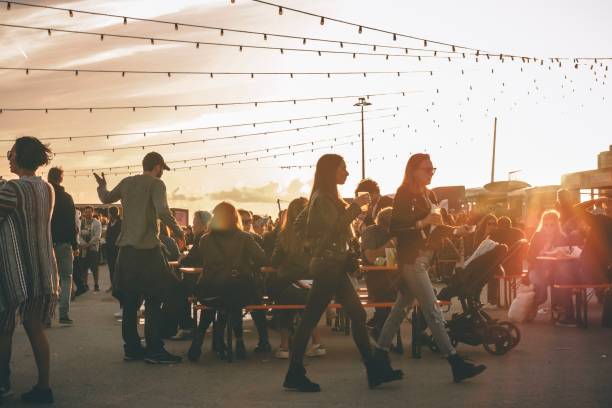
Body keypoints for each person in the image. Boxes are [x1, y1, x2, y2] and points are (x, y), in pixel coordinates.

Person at [283, 154, 402, 393]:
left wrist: (309, 241)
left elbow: (299, 225)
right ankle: (296, 372)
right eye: (343, 168)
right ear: (330, 171)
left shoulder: (323, 198)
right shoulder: (323, 199)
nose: (347, 173)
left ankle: (372, 369)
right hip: (330, 265)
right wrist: (355, 208)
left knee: (353, 314)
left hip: (332, 264)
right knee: (316, 317)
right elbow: (333, 229)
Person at [374, 153, 486, 384]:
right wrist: (421, 223)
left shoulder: (429, 195)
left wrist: (457, 230)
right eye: (426, 169)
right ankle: (455, 363)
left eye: (432, 169)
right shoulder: (403, 193)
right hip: (412, 260)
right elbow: (396, 226)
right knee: (432, 311)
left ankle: (378, 361)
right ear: (413, 170)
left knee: (399, 311)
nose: (430, 173)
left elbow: (437, 227)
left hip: (423, 259)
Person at [95, 151, 185, 364]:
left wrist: (101, 185)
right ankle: (154, 349)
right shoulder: (156, 184)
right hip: (148, 249)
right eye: (162, 169)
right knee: (155, 299)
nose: (162, 172)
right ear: (158, 166)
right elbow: (163, 210)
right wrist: (179, 231)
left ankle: (133, 349)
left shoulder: (127, 182)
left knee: (130, 302)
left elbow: (106, 198)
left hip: (126, 252)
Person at [0, 136, 59, 404]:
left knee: (4, 326)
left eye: (11, 153)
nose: (8, 157)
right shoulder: (48, 189)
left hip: (15, 269)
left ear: (20, 157)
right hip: (42, 266)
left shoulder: (12, 189)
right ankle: (44, 387)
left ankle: (2, 384)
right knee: (35, 327)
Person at [187, 202, 267, 362]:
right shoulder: (245, 238)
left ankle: (199, 337)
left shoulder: (205, 239)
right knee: (233, 298)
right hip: (239, 290)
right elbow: (261, 257)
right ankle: (239, 341)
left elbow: (197, 259)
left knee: (212, 304)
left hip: (210, 290)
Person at [263, 198, 325, 359]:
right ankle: (317, 343)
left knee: (285, 304)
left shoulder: (284, 235)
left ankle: (284, 346)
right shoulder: (319, 234)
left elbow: (274, 262)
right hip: (316, 284)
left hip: (292, 284)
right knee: (307, 306)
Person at [527, 210, 575, 325]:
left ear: (557, 225)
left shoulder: (562, 237)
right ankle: (532, 307)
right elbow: (529, 257)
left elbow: (567, 253)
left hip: (555, 270)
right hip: (538, 269)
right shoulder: (537, 236)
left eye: (552, 225)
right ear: (542, 224)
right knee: (542, 290)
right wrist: (542, 251)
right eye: (546, 225)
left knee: (561, 280)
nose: (549, 228)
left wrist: (558, 253)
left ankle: (563, 312)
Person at [173, 211, 212, 342]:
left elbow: (189, 260)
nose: (193, 226)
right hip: (210, 281)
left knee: (176, 290)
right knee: (179, 288)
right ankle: (187, 325)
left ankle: (187, 326)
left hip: (201, 282)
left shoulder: (202, 238)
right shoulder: (207, 238)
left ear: (203, 225)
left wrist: (182, 258)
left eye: (195, 223)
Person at [360, 207, 397, 339]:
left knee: (427, 295)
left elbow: (392, 262)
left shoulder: (396, 233)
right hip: (378, 281)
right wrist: (391, 243)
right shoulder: (371, 232)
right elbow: (370, 257)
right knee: (385, 295)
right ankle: (379, 329)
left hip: (395, 280)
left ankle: (419, 333)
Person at [47, 167, 78, 325]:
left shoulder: (44, 195)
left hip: (46, 243)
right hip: (65, 243)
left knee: (48, 279)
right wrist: (75, 244)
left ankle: (46, 317)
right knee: (66, 278)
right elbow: (72, 224)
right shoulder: (67, 197)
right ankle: (64, 314)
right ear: (61, 179)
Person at [464, 213, 499, 307]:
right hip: (480, 260)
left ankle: (493, 300)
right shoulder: (479, 233)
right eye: (489, 223)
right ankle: (476, 299)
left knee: (492, 271)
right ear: (485, 224)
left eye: (494, 224)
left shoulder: (497, 234)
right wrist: (486, 234)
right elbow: (476, 249)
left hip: (492, 261)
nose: (492, 226)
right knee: (477, 276)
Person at [76, 206, 102, 293]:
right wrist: (83, 244)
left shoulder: (97, 223)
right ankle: (85, 284)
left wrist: (89, 244)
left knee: (94, 267)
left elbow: (97, 235)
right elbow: (78, 235)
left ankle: (96, 284)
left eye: (90, 212)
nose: (88, 213)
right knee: (84, 267)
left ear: (93, 212)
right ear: (84, 212)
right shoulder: (80, 222)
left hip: (93, 248)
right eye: (86, 212)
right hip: (83, 248)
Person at [105, 206, 122, 292]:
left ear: (112, 214)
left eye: (109, 213)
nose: (108, 215)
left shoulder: (120, 223)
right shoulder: (109, 223)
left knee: (118, 268)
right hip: (110, 250)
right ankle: (113, 285)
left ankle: (118, 286)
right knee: (111, 268)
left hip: (117, 249)